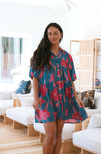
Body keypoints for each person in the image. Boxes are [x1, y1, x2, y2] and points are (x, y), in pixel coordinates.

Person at [29, 22, 88, 154]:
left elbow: (71, 79)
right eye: (49, 34)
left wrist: (76, 96)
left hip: (63, 98)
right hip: (46, 99)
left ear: (61, 34)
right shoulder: (40, 54)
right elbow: (35, 78)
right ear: (46, 35)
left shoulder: (67, 56)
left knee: (58, 134)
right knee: (50, 135)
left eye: (55, 33)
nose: (53, 36)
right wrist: (35, 98)